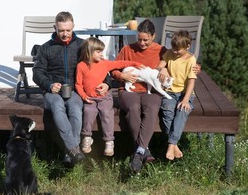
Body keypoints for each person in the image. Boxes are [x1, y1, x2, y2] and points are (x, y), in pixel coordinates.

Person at [110, 19, 200, 172]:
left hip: (151, 90)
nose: (142, 43)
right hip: (130, 89)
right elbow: (113, 69)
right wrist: (122, 77)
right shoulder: (127, 49)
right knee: (133, 107)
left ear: (153, 36)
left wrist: (167, 70)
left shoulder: (162, 50)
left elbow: (180, 59)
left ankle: (139, 150)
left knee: (151, 108)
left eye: (146, 40)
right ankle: (143, 150)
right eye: (139, 39)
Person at [32, 11, 110, 166]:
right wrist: (49, 85)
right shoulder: (46, 48)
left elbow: (100, 65)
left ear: (73, 27)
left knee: (75, 109)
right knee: (57, 106)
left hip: (74, 90)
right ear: (55, 27)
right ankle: (74, 149)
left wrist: (107, 82)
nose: (65, 34)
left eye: (68, 30)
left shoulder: (82, 46)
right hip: (52, 92)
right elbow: (37, 73)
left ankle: (69, 152)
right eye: (61, 30)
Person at [75, 37, 143, 156]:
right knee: (87, 111)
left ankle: (109, 140)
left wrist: (135, 63)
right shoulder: (81, 66)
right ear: (89, 52)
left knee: (106, 112)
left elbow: (120, 63)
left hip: (105, 97)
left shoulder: (104, 63)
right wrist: (84, 96)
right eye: (98, 51)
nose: (102, 54)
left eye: (102, 51)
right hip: (90, 98)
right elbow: (78, 84)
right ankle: (86, 137)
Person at [156, 30, 197, 160]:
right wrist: (162, 68)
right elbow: (158, 67)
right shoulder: (169, 53)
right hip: (169, 92)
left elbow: (191, 81)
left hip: (185, 93)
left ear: (187, 46)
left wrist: (185, 100)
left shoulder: (191, 60)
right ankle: (174, 145)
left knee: (182, 110)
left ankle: (171, 143)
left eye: (178, 50)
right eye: (173, 48)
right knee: (167, 110)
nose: (175, 51)